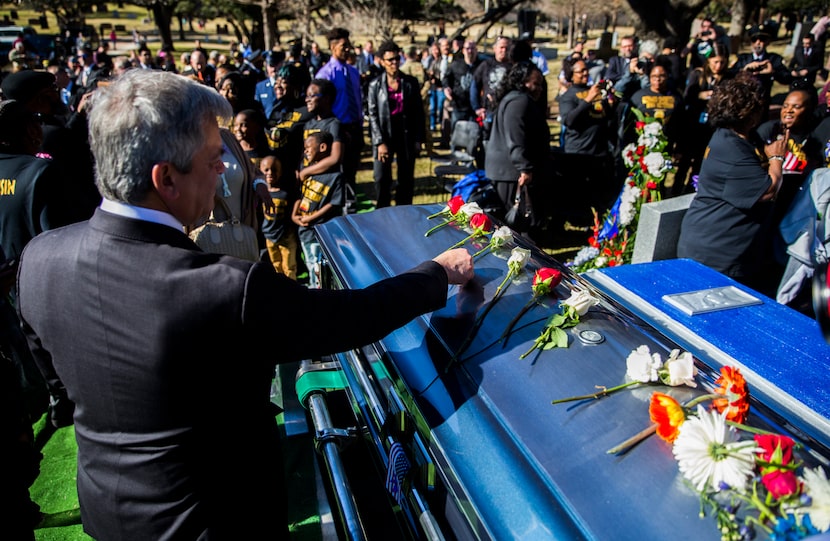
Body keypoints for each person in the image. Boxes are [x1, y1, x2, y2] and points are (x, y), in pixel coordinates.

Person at [15, 69, 474, 540]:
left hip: (106, 510)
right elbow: (350, 318)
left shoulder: (39, 260)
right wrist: (437, 272)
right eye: (214, 161)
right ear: (166, 178)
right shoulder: (223, 288)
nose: (224, 172)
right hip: (218, 519)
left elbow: (61, 385)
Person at [677, 73, 787, 296]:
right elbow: (769, 191)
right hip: (716, 253)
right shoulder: (732, 149)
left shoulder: (731, 137)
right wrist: (777, 158)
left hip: (719, 247)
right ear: (749, 113)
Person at [484, 62, 551, 239]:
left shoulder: (516, 99)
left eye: (540, 84)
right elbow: (516, 137)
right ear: (522, 82)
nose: (539, 89)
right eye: (535, 83)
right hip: (513, 173)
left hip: (510, 170)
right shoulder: (519, 101)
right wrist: (524, 168)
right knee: (522, 224)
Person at [556, 59, 618, 225]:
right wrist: (587, 100)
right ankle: (577, 221)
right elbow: (569, 120)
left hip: (599, 150)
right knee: (577, 191)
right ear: (571, 75)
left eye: (586, 70)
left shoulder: (595, 91)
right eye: (580, 71)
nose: (585, 73)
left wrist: (611, 104)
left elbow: (605, 118)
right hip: (578, 152)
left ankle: (596, 221)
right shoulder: (568, 96)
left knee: (598, 191)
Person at [366, 40, 425, 208]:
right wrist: (379, 142)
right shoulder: (375, 85)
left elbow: (419, 113)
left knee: (405, 178)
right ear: (382, 62)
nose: (394, 63)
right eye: (390, 60)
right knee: (381, 178)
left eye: (397, 59)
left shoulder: (410, 82)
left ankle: (403, 211)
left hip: (406, 134)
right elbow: (373, 115)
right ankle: (382, 212)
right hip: (384, 135)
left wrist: (418, 139)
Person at [673, 43, 732, 196]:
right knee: (684, 163)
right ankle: (675, 191)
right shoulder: (698, 75)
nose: (718, 66)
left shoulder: (728, 79)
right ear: (708, 61)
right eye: (715, 62)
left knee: (700, 163)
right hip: (693, 125)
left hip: (712, 127)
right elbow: (687, 97)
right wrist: (700, 96)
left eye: (722, 62)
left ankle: (690, 191)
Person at [315, 27, 363, 204]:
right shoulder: (325, 75)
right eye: (344, 46)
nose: (348, 49)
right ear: (333, 47)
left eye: (348, 45)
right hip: (338, 130)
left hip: (355, 128)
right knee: (339, 174)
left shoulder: (353, 72)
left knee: (351, 172)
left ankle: (350, 204)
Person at [292, 131, 346, 288]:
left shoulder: (336, 176)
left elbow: (334, 204)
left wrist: (311, 218)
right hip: (305, 231)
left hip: (321, 231)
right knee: (310, 262)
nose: (306, 151)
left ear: (322, 147)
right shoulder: (307, 173)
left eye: (309, 147)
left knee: (320, 267)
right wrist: (295, 215)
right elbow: (300, 196)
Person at [730, 27, 790, 117]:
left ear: (767, 42)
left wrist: (773, 72)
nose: (758, 43)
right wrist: (744, 70)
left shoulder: (773, 59)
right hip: (743, 101)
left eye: (762, 39)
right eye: (754, 40)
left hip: (763, 102)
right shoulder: (743, 59)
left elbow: (787, 78)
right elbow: (730, 76)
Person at [259, 154, 298, 279]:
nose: (270, 173)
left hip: (286, 236)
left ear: (280, 172)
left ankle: (292, 290)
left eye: (274, 170)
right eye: (266, 170)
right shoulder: (261, 193)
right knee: (276, 265)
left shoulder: (286, 193)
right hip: (269, 236)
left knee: (289, 265)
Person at [472, 35, 511, 142]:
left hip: (507, 112)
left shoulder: (514, 67)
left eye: (507, 48)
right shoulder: (486, 65)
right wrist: (477, 108)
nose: (504, 50)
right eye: (501, 47)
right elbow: (475, 85)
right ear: (495, 48)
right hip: (487, 111)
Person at [442, 39, 480, 128]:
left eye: (472, 48)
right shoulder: (455, 65)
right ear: (463, 51)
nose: (470, 51)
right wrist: (446, 88)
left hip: (475, 108)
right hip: (459, 106)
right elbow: (446, 78)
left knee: (474, 134)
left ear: (476, 50)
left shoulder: (482, 66)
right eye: (467, 49)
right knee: (457, 134)